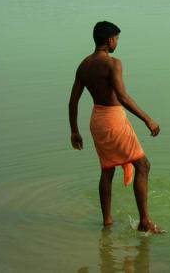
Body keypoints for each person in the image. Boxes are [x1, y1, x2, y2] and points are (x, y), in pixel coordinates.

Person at [68, 21, 165, 234]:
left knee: (107, 169)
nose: (117, 43)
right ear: (109, 40)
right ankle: (145, 222)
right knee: (143, 166)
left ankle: (107, 222)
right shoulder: (113, 64)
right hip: (113, 120)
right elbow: (122, 96)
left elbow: (73, 101)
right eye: (117, 39)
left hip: (97, 121)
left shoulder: (84, 65)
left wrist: (74, 131)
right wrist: (147, 119)